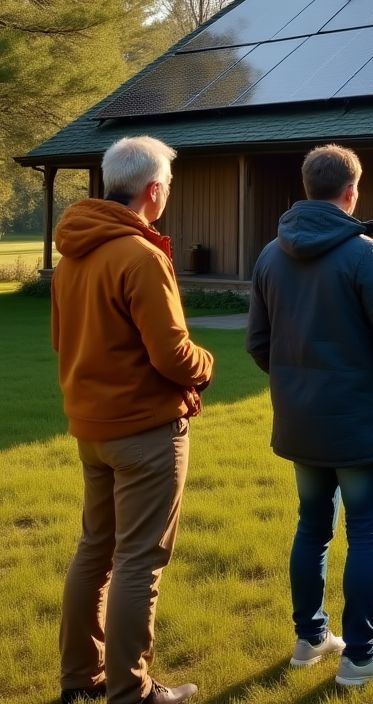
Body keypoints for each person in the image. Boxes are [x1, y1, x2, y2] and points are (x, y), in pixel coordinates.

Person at [246, 144, 373, 689]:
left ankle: (310, 638)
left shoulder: (270, 254)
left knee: (312, 526)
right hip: (357, 417)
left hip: (300, 419)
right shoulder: (363, 252)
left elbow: (257, 343)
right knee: (367, 531)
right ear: (352, 190)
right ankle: (361, 655)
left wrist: (295, 383)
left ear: (307, 185)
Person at [53, 136, 214, 704]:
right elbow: (172, 354)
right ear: (153, 189)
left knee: (94, 550)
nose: (166, 193)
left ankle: (82, 678)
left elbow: (62, 339)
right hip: (145, 429)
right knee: (140, 561)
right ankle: (132, 691)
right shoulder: (140, 255)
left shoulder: (74, 252)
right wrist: (207, 365)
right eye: (167, 185)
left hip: (91, 426)